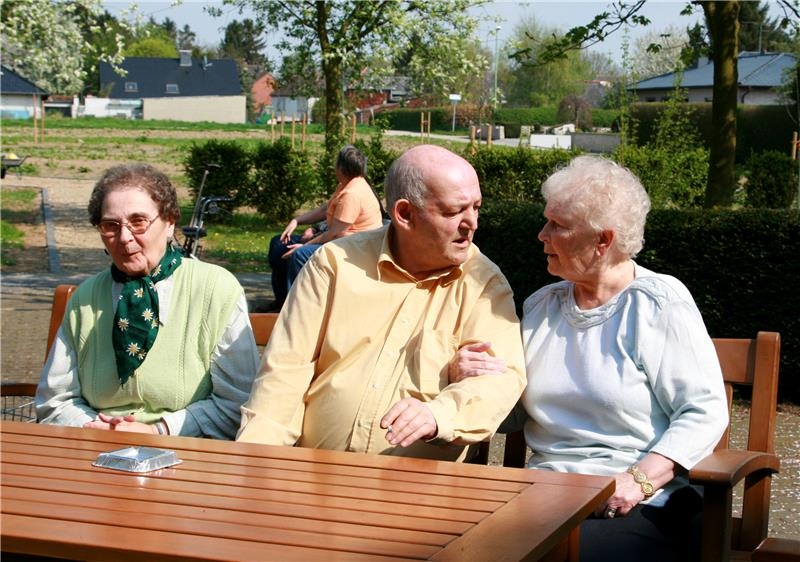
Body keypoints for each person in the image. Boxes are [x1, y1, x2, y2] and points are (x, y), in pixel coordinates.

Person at [453, 155, 729, 561]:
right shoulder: (542, 306)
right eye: (546, 220)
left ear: (603, 240)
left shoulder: (657, 303)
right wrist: (484, 380)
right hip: (546, 497)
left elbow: (704, 411)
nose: (541, 235)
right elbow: (514, 415)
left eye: (558, 226)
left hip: (644, 503)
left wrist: (638, 480)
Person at [237, 145, 526, 461]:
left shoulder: (482, 283)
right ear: (404, 214)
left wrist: (438, 415)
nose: (471, 223)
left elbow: (500, 379)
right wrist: (255, 463)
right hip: (314, 478)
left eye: (476, 208)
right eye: (453, 211)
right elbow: (283, 375)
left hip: (420, 494)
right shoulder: (335, 265)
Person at [36, 163, 260, 439]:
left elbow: (238, 405)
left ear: (170, 223)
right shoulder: (85, 299)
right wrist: (96, 429)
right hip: (95, 448)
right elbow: (55, 402)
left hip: (189, 455)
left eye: (138, 221)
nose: (124, 237)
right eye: (110, 225)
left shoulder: (216, 289)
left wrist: (159, 430)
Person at [267, 144, 383, 309]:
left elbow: (335, 234)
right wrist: (297, 221)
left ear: (341, 167)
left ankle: (295, 311)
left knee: (298, 255)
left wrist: (305, 245)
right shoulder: (345, 185)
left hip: (352, 248)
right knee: (278, 244)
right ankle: (281, 304)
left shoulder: (352, 194)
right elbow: (325, 210)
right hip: (338, 240)